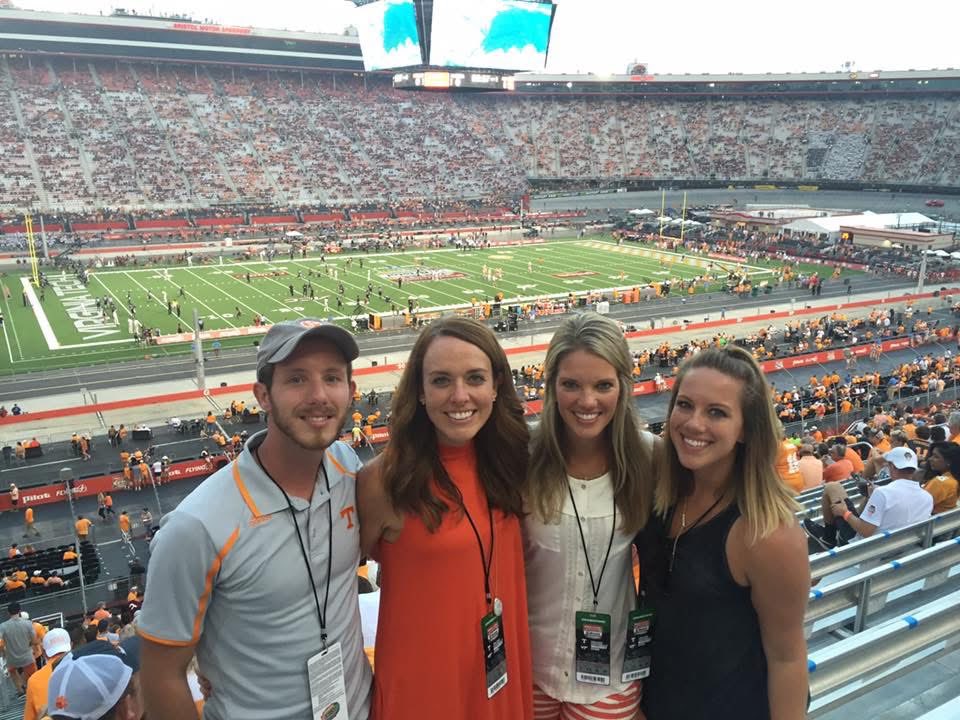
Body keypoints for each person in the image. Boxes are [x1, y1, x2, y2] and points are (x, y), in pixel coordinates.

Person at [139, 319, 371, 720]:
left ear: (350, 391)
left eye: (332, 378)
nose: (319, 396)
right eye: (297, 379)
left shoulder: (347, 465)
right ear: (263, 395)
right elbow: (161, 677)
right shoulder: (195, 528)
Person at [358, 316, 533, 719]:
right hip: (426, 688)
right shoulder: (384, 482)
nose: (460, 396)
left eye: (475, 378)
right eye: (440, 381)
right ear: (419, 391)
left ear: (496, 386)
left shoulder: (512, 462)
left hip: (498, 671)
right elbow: (327, 583)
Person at [635, 346, 810, 719]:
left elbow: (788, 659)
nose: (694, 423)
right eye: (684, 405)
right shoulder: (660, 494)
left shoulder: (767, 533)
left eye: (716, 412)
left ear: (746, 428)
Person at [524, 313, 656, 719]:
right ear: (551, 388)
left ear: (623, 387)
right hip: (527, 667)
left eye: (602, 385)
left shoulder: (652, 456)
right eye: (571, 385)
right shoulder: (519, 455)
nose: (587, 401)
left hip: (612, 675)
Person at [805, 447, 934, 549]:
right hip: (899, 544)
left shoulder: (883, 493)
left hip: (864, 547)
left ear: (892, 467)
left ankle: (829, 538)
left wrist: (844, 512)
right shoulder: (927, 497)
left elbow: (865, 531)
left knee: (832, 487)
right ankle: (829, 536)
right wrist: (870, 498)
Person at [23, 627, 71, 720]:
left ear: (44, 652)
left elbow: (29, 718)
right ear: (71, 645)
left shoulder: (33, 681)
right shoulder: (84, 667)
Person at [0, 601, 39, 696]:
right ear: (19, 611)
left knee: (13, 672)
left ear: (8, 613)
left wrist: (4, 651)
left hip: (11, 657)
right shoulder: (28, 624)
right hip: (27, 655)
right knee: (32, 674)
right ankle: (31, 689)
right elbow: (34, 641)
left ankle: (20, 690)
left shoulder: (3, 626)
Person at [920, 442, 960, 514]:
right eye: (932, 455)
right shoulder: (953, 479)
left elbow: (917, 505)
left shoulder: (941, 482)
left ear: (949, 461)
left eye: (936, 456)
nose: (930, 459)